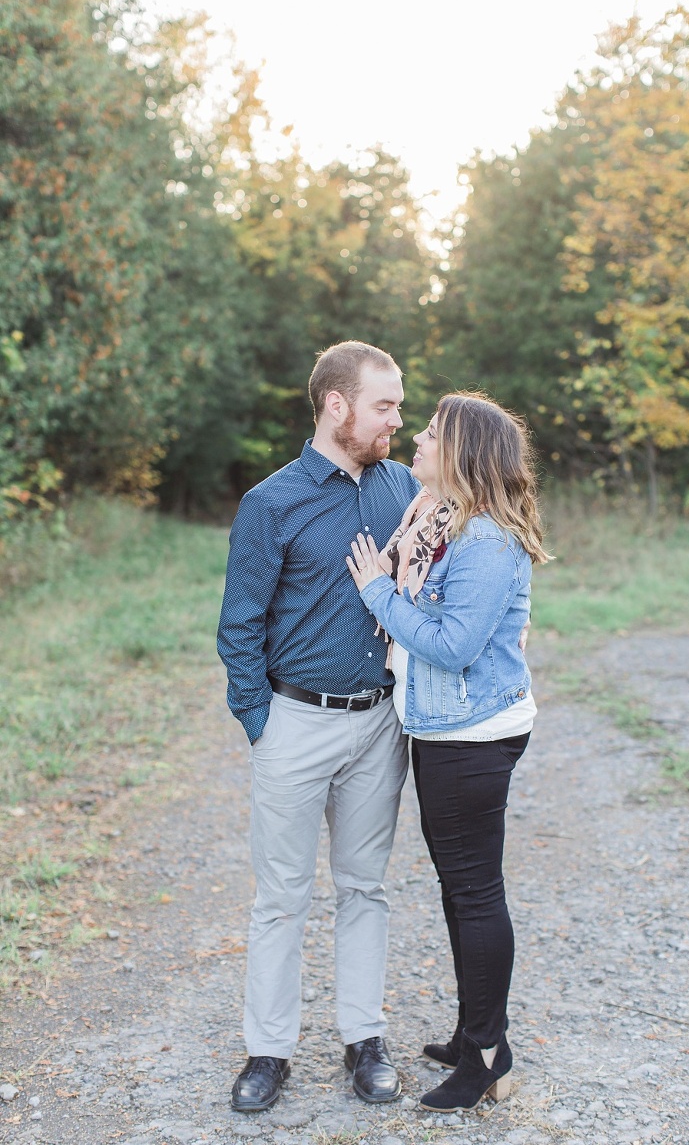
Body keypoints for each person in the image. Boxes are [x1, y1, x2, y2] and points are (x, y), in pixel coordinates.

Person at [217, 341, 420, 1112]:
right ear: (337, 406)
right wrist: (261, 724)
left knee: (365, 887)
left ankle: (363, 1037)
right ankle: (268, 1050)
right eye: (386, 405)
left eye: (398, 406)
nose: (397, 419)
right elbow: (238, 626)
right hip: (294, 723)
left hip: (378, 727)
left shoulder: (401, 486)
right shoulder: (271, 503)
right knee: (281, 896)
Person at [346, 391, 550, 1113]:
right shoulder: (442, 520)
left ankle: (489, 1058)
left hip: (471, 734)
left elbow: (453, 645)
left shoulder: (486, 540)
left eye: (431, 433)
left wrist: (377, 591)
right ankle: (475, 1035)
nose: (419, 440)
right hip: (444, 730)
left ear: (461, 452)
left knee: (474, 890)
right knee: (460, 888)